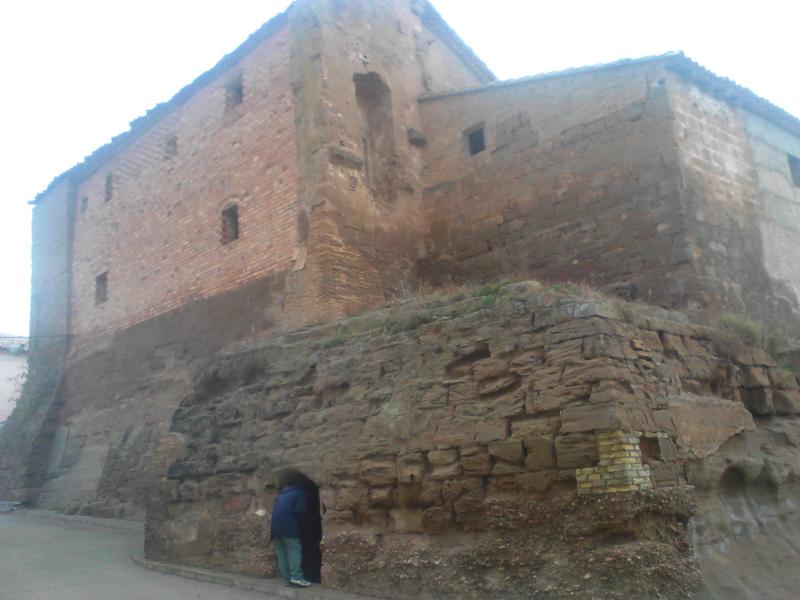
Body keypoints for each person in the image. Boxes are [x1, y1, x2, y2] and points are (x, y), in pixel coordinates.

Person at [270, 470, 313, 587]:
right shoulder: (300, 492)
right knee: (294, 550)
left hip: (275, 527)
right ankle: (297, 578)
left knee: (281, 552)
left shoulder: (282, 494)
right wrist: (301, 524)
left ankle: (286, 579)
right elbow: (300, 510)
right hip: (289, 526)